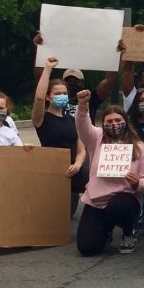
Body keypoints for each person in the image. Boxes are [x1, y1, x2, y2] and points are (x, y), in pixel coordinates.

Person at [74, 90, 144, 255]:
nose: (114, 124)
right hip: (96, 201)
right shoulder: (96, 138)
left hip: (125, 200)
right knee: (87, 248)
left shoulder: (140, 148)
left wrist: (137, 183)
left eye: (118, 120)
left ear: (126, 121)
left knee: (120, 205)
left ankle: (128, 232)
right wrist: (83, 106)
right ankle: (106, 230)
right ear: (103, 124)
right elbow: (83, 126)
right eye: (109, 121)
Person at [32, 57, 88, 215]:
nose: (62, 96)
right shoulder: (41, 119)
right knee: (56, 216)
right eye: (57, 93)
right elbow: (38, 98)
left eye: (64, 93)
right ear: (49, 97)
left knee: (68, 215)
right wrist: (47, 69)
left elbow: (81, 149)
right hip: (52, 173)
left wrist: (77, 164)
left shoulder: (73, 119)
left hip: (74, 173)